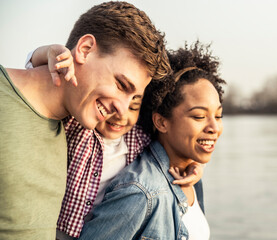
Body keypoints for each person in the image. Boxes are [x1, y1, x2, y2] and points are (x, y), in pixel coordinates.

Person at [0, 1, 170, 239]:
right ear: (85, 49)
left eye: (133, 98)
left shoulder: (80, 125)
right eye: (121, 85)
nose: (122, 109)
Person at [26, 45, 203, 240]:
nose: (120, 114)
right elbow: (39, 76)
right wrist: (48, 53)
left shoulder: (138, 138)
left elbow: (168, 150)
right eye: (118, 99)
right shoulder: (78, 126)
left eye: (133, 107)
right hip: (53, 232)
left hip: (102, 228)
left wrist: (194, 166)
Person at [79, 42, 226, 240]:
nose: (214, 128)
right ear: (161, 121)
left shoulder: (191, 176)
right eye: (199, 116)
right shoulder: (140, 193)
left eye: (218, 116)